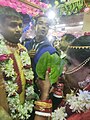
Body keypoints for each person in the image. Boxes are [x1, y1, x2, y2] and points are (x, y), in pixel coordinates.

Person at [34, 35, 90, 120]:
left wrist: (44, 95)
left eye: (70, 63)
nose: (64, 68)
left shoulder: (86, 115)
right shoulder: (78, 92)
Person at [0, 6, 38, 120]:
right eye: (13, 25)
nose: (18, 29)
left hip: (23, 107)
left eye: (20, 25)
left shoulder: (23, 49)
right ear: (0, 27)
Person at [24, 15, 57, 80]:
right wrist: (26, 56)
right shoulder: (26, 45)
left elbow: (53, 75)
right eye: (40, 23)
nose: (44, 27)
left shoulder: (51, 51)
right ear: (34, 26)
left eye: (47, 25)